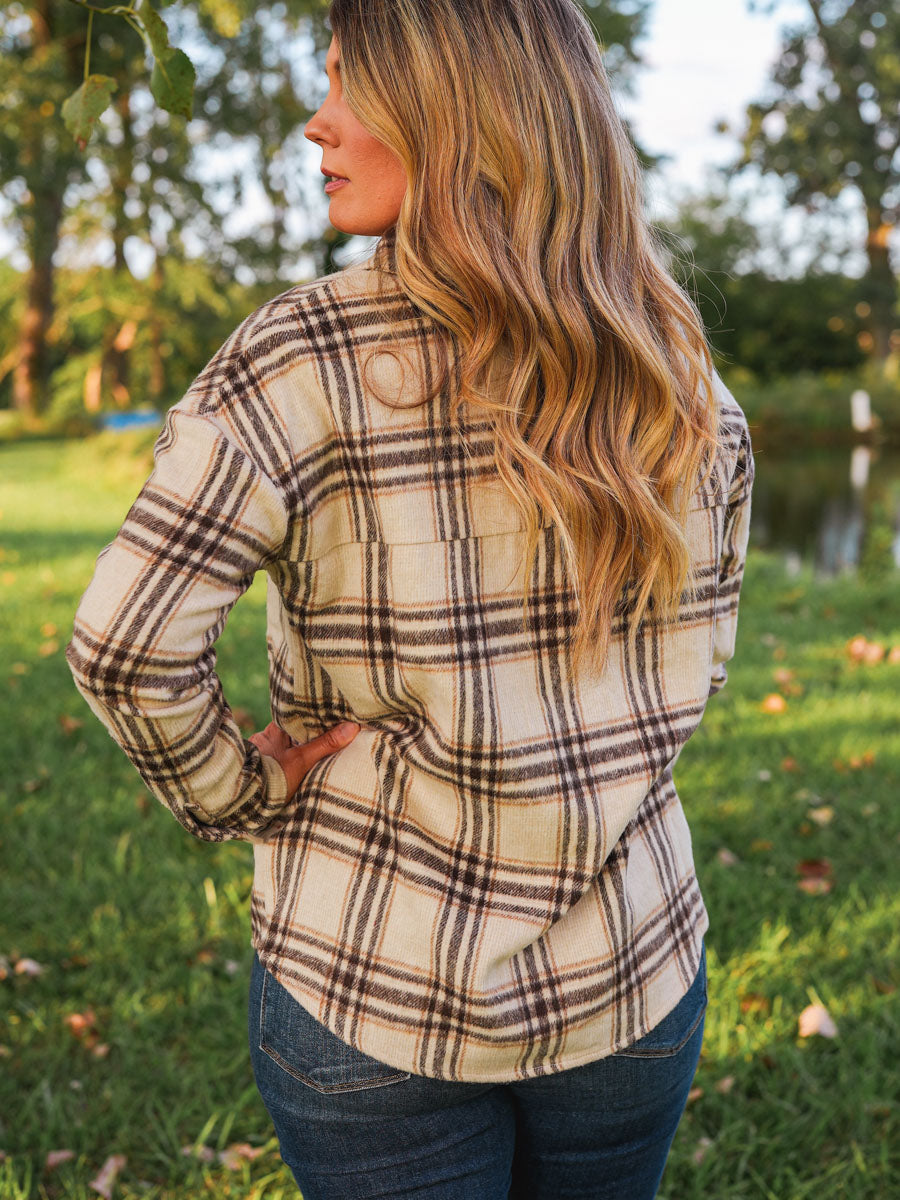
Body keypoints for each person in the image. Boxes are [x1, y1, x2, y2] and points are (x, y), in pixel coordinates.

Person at [66, 0, 754, 1196]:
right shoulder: (677, 371)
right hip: (630, 975)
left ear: (455, 110)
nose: (315, 121)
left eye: (350, 84)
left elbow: (125, 647)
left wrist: (244, 786)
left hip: (373, 979)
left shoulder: (300, 360)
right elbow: (703, 659)